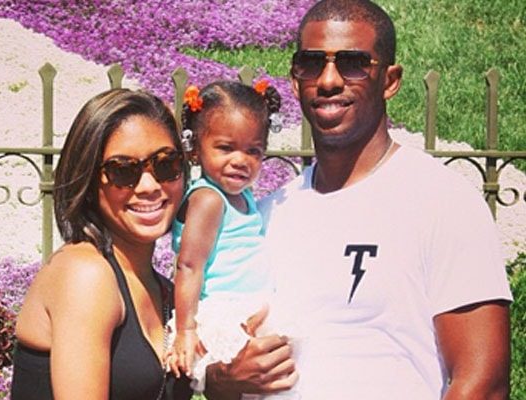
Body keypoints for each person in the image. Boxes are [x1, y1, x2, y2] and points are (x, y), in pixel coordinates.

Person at [204, 0, 513, 399]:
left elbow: (482, 384)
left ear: (390, 79)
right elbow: (224, 365)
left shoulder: (443, 202)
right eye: (312, 63)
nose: (329, 79)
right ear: (295, 80)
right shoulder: (267, 214)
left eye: (352, 63)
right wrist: (223, 380)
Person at [11, 88, 192, 400]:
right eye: (123, 171)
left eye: (165, 164)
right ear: (89, 179)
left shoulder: (163, 289)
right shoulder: (86, 274)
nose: (149, 186)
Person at [168, 80, 292, 396]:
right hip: (225, 311)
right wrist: (186, 330)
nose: (241, 160)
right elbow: (189, 267)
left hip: (250, 307)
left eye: (254, 151)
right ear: (195, 148)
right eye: (226, 148)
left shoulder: (243, 197)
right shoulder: (209, 199)